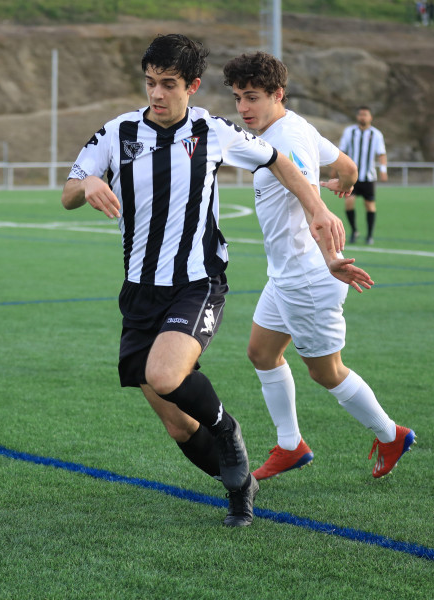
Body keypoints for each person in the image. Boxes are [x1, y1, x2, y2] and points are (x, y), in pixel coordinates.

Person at [61, 34, 346, 527]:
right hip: (139, 289)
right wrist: (86, 183)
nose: (156, 94)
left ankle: (230, 431)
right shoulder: (118, 132)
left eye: (168, 85)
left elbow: (277, 160)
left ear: (191, 86)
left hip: (198, 281)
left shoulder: (213, 130)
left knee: (166, 375)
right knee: (174, 421)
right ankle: (240, 488)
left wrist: (317, 208)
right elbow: (68, 191)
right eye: (150, 83)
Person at [222, 52, 415, 481]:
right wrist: (340, 182)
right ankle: (291, 446)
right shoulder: (293, 126)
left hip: (310, 276)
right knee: (261, 353)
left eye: (252, 97)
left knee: (326, 372)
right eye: (237, 98)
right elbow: (347, 166)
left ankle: (391, 434)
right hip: (286, 275)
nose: (243, 108)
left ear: (278, 94)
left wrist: (330, 257)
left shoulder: (287, 139)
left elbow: (316, 211)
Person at [336, 106, 387, 245]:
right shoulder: (349, 132)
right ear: (357, 117)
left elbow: (381, 153)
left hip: (368, 177)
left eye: (365, 114)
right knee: (349, 203)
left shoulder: (376, 134)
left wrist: (383, 170)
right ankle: (354, 231)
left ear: (370, 117)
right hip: (351, 176)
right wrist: (336, 169)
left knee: (369, 205)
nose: (362, 117)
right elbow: (342, 151)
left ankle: (370, 235)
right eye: (360, 114)